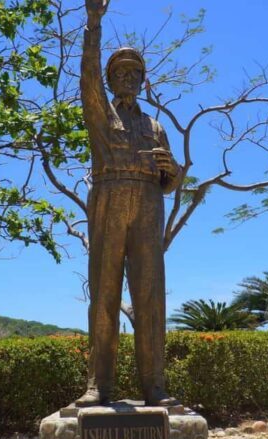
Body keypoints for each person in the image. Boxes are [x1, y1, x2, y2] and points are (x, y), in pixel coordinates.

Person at [75, 0, 181, 408]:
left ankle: (154, 387)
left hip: (149, 204)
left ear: (142, 80)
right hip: (110, 197)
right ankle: (99, 385)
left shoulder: (154, 126)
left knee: (151, 295)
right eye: (119, 73)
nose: (127, 78)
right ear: (111, 79)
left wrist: (172, 169)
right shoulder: (101, 116)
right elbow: (87, 78)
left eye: (134, 73)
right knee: (104, 292)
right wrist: (93, 23)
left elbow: (169, 182)